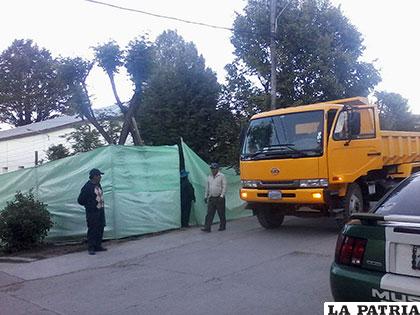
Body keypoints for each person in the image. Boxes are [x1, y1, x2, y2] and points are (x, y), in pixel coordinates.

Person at [77, 168, 107, 255]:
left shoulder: (98, 185)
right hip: (92, 212)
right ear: (94, 176)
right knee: (93, 229)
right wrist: (90, 205)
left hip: (100, 210)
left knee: (100, 227)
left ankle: (98, 245)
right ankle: (91, 247)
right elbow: (80, 200)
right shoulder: (87, 187)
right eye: (99, 175)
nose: (100, 177)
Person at [202, 162, 227, 232]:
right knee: (209, 213)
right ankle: (207, 227)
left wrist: (222, 195)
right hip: (211, 197)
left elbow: (224, 186)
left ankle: (222, 226)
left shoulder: (221, 176)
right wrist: (205, 196)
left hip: (219, 197)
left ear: (217, 169)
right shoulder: (209, 177)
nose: (213, 170)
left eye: (214, 168)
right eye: (212, 169)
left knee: (221, 213)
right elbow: (207, 187)